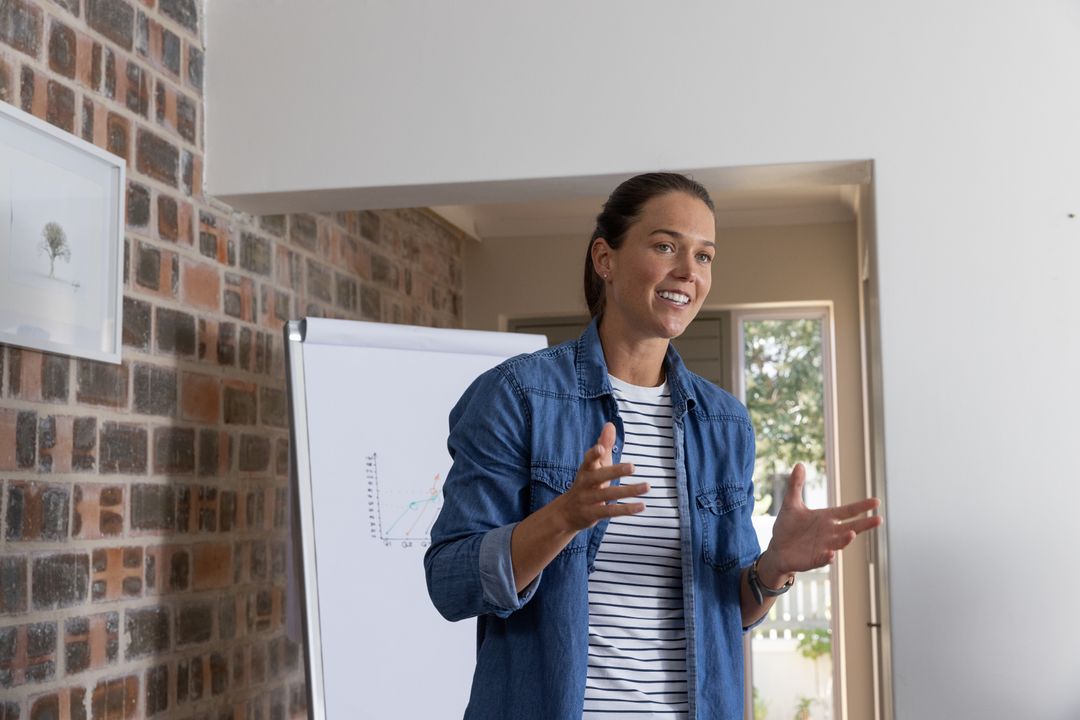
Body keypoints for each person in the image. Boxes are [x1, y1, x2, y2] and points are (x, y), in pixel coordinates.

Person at [424, 172, 882, 720]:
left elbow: (726, 609)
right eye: (665, 246)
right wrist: (563, 517)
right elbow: (450, 581)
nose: (688, 272)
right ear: (605, 259)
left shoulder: (723, 422)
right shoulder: (518, 395)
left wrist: (773, 567)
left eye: (705, 256)